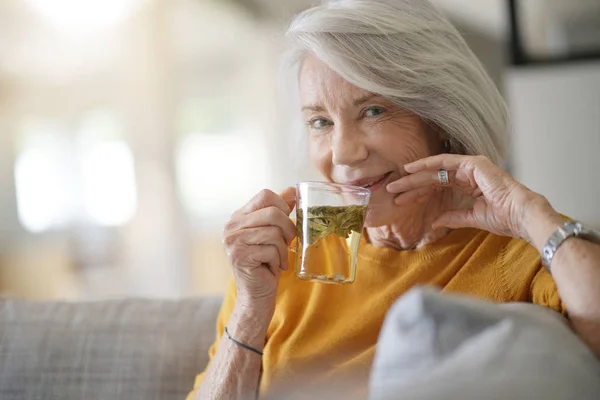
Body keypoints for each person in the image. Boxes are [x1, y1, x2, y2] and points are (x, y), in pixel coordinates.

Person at [188, 1, 600, 399]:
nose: (343, 153)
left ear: (441, 117)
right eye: (320, 122)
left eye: (373, 112)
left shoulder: (528, 249)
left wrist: (529, 213)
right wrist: (250, 309)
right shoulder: (283, 258)